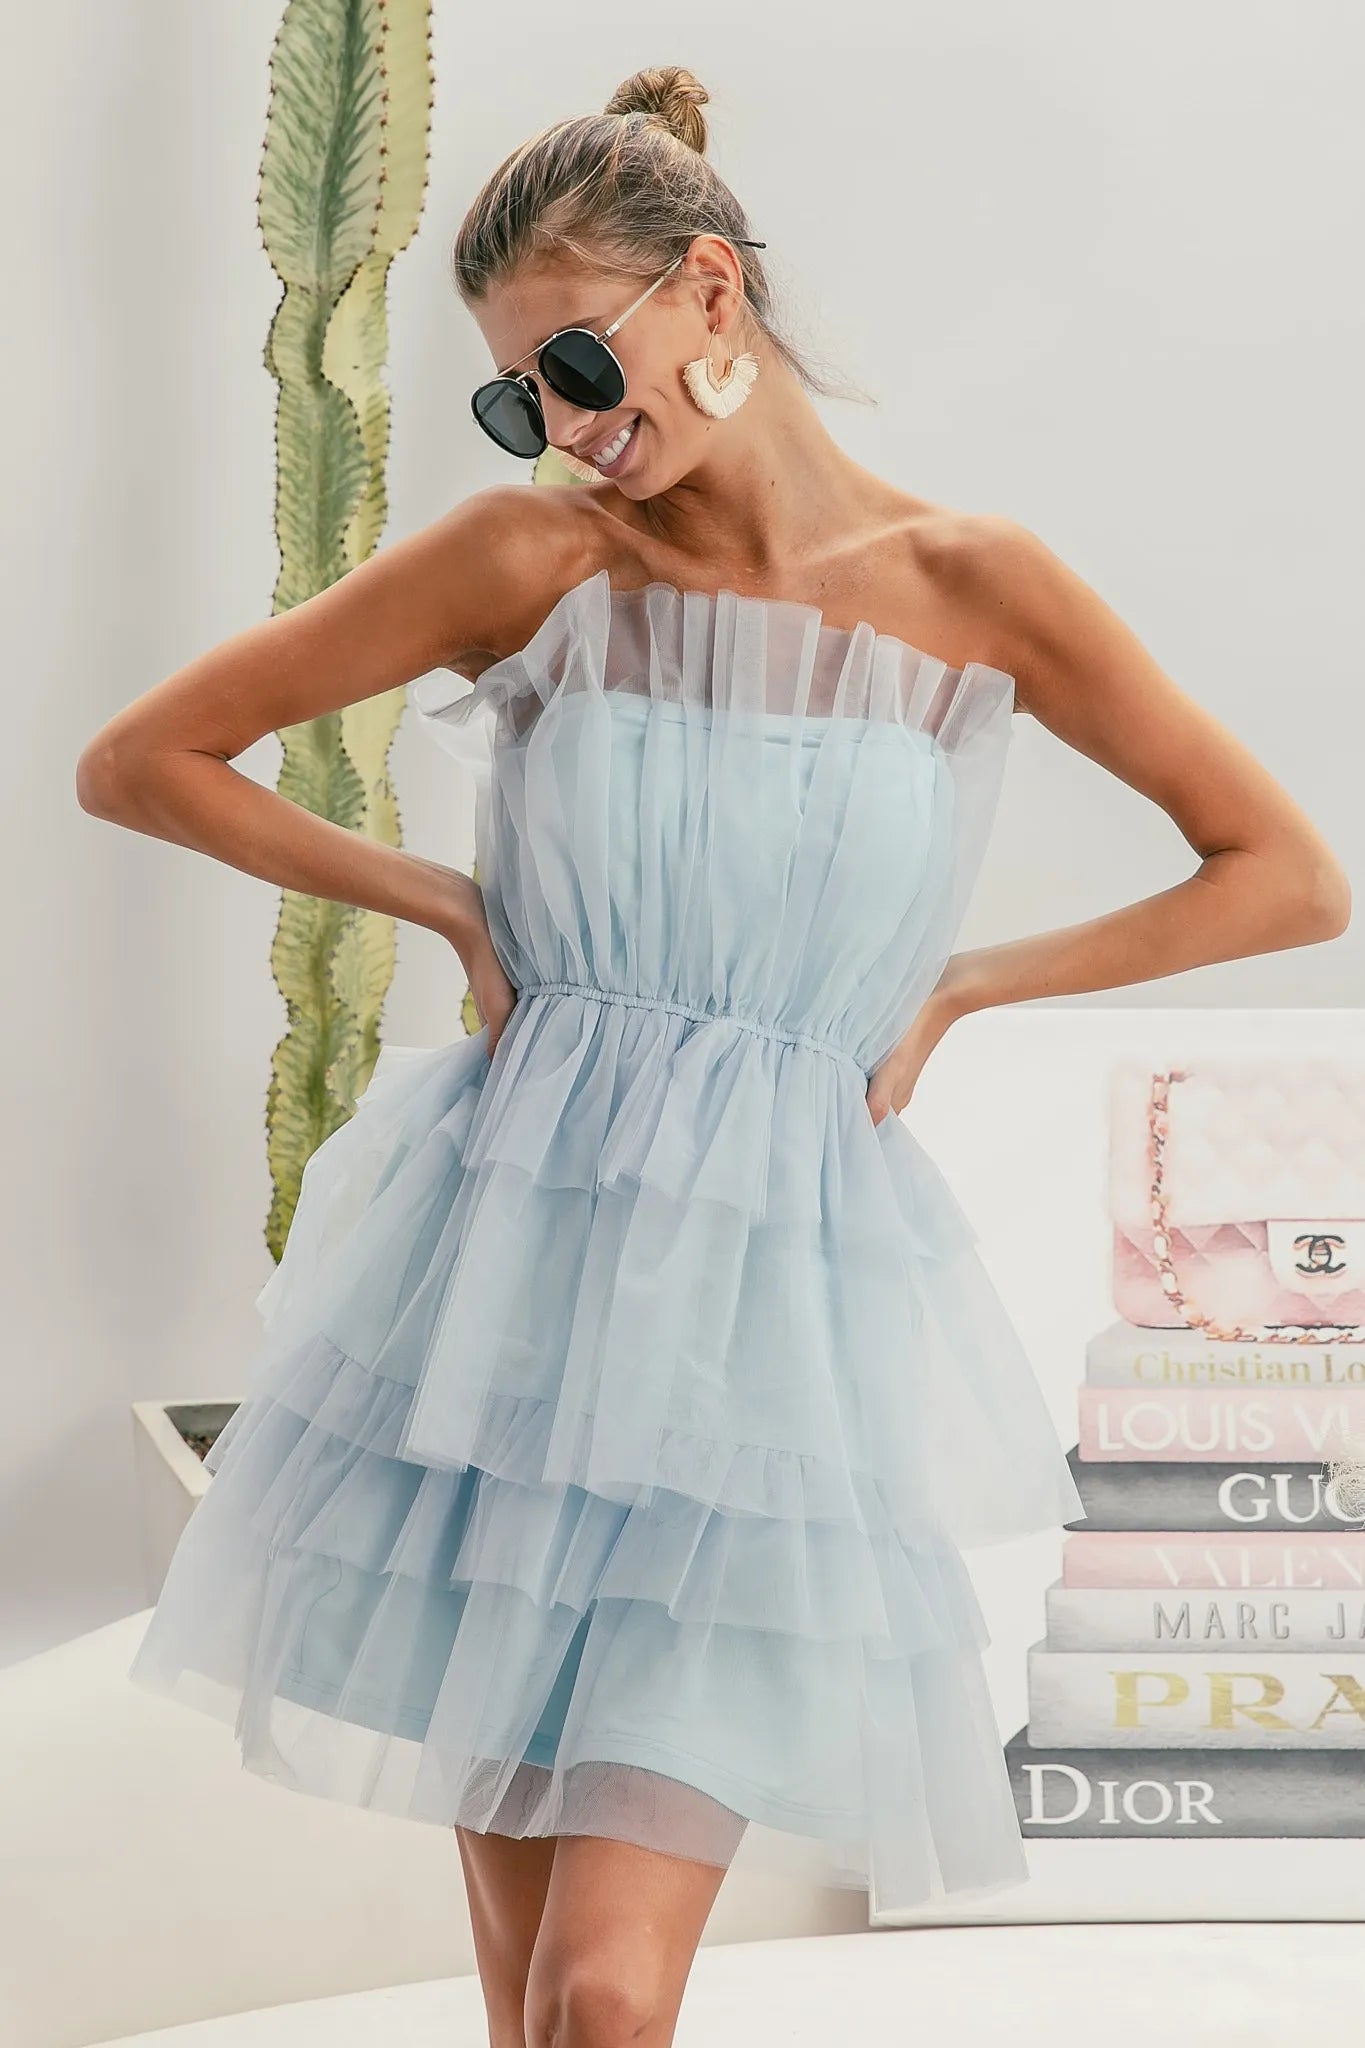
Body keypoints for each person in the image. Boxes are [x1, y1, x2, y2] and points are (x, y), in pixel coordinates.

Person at [76, 61, 1350, 2048]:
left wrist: (965, 985)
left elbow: (1280, 873)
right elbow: (139, 759)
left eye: (581, 363)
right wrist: (446, 902)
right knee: (531, 2011)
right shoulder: (534, 563)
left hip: (760, 1346)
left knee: (602, 1992)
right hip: (488, 1313)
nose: (568, 426)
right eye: (522, 396)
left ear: (711, 296)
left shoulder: (970, 588)